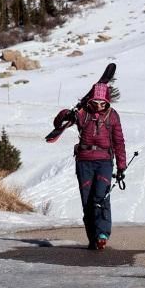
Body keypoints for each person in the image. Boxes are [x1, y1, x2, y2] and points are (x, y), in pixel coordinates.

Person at [54, 82, 127, 250]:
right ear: (91, 100)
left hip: (104, 162)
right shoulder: (82, 113)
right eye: (96, 102)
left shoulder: (113, 116)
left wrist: (121, 166)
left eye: (103, 102)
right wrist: (66, 114)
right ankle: (93, 238)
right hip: (84, 161)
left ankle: (102, 234)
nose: (99, 105)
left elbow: (119, 141)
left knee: (101, 198)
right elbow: (58, 125)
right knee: (87, 201)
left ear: (108, 101)